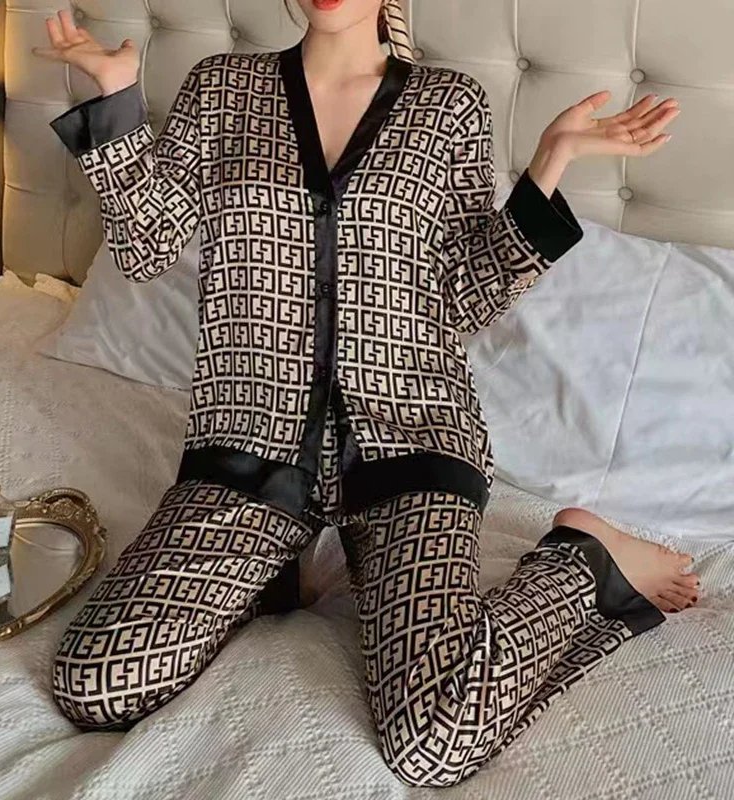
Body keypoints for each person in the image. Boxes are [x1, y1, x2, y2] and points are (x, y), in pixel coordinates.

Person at [34, 0, 696, 788]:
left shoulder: (448, 103)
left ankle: (582, 560)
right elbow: (146, 250)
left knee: (434, 742)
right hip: (250, 450)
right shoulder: (220, 87)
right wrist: (116, 99)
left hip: (409, 445)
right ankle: (282, 565)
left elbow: (460, 298)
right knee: (95, 680)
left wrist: (550, 161)